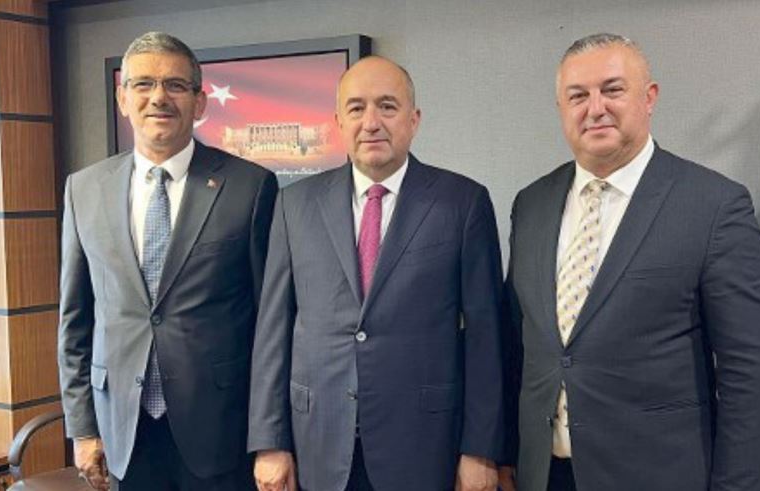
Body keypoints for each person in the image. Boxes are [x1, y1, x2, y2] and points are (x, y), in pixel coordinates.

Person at [500, 33, 760, 491]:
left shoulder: (714, 206)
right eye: (578, 96)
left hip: (657, 475)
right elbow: (519, 343)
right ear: (561, 108)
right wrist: (505, 451)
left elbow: (749, 368)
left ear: (649, 98)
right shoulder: (531, 204)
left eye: (612, 90)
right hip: (545, 474)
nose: (595, 108)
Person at [247, 56, 504, 491]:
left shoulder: (463, 203)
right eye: (356, 108)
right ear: (338, 122)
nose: (371, 122)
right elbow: (273, 329)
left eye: (387, 106)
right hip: (318, 442)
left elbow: (486, 335)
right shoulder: (295, 204)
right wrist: (270, 442)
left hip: (424, 446)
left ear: (414, 119)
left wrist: (481, 449)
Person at [58, 31, 277, 491]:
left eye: (175, 85)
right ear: (123, 99)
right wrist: (83, 428)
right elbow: (75, 321)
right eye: (143, 84)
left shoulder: (250, 187)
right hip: (123, 430)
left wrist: (270, 437)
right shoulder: (84, 189)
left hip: (219, 428)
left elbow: (270, 325)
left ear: (199, 102)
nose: (159, 97)